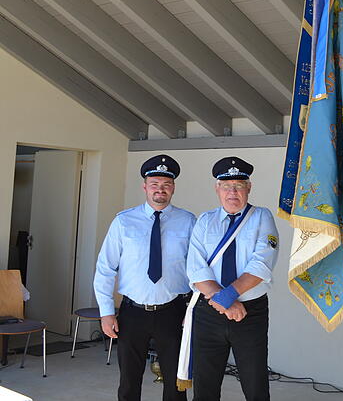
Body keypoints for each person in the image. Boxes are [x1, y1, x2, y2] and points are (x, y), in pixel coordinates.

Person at [94, 155, 195, 401]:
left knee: (176, 382)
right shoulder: (124, 221)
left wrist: (192, 310)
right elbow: (105, 268)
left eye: (166, 184)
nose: (160, 189)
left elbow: (198, 271)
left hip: (173, 311)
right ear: (145, 186)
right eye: (154, 184)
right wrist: (106, 312)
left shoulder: (189, 221)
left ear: (173, 187)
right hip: (132, 312)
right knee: (129, 380)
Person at [184, 156, 279, 401]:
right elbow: (195, 267)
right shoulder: (205, 221)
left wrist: (226, 297)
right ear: (217, 189)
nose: (232, 192)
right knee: (205, 384)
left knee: (255, 382)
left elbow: (261, 264)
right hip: (209, 312)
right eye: (226, 186)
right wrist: (225, 301)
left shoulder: (262, 217)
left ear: (249, 187)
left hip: (249, 313)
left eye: (238, 185)